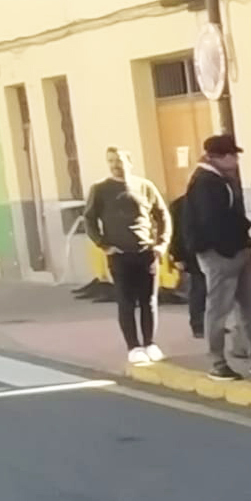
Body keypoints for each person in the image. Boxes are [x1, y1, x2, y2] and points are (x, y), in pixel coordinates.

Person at [182, 135, 251, 381]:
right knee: (219, 309)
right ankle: (217, 361)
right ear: (221, 157)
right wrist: (228, 248)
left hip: (236, 249)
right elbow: (211, 221)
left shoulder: (218, 179)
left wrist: (244, 234)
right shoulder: (206, 182)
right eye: (233, 155)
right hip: (222, 254)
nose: (236, 160)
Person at [84, 147, 171, 365]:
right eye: (111, 161)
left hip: (146, 252)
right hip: (119, 255)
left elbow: (162, 216)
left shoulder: (145, 186)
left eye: (119, 160)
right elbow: (89, 219)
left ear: (129, 162)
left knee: (149, 301)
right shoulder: (100, 189)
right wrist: (103, 245)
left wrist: (161, 244)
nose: (115, 165)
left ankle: (150, 343)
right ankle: (133, 346)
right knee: (126, 302)